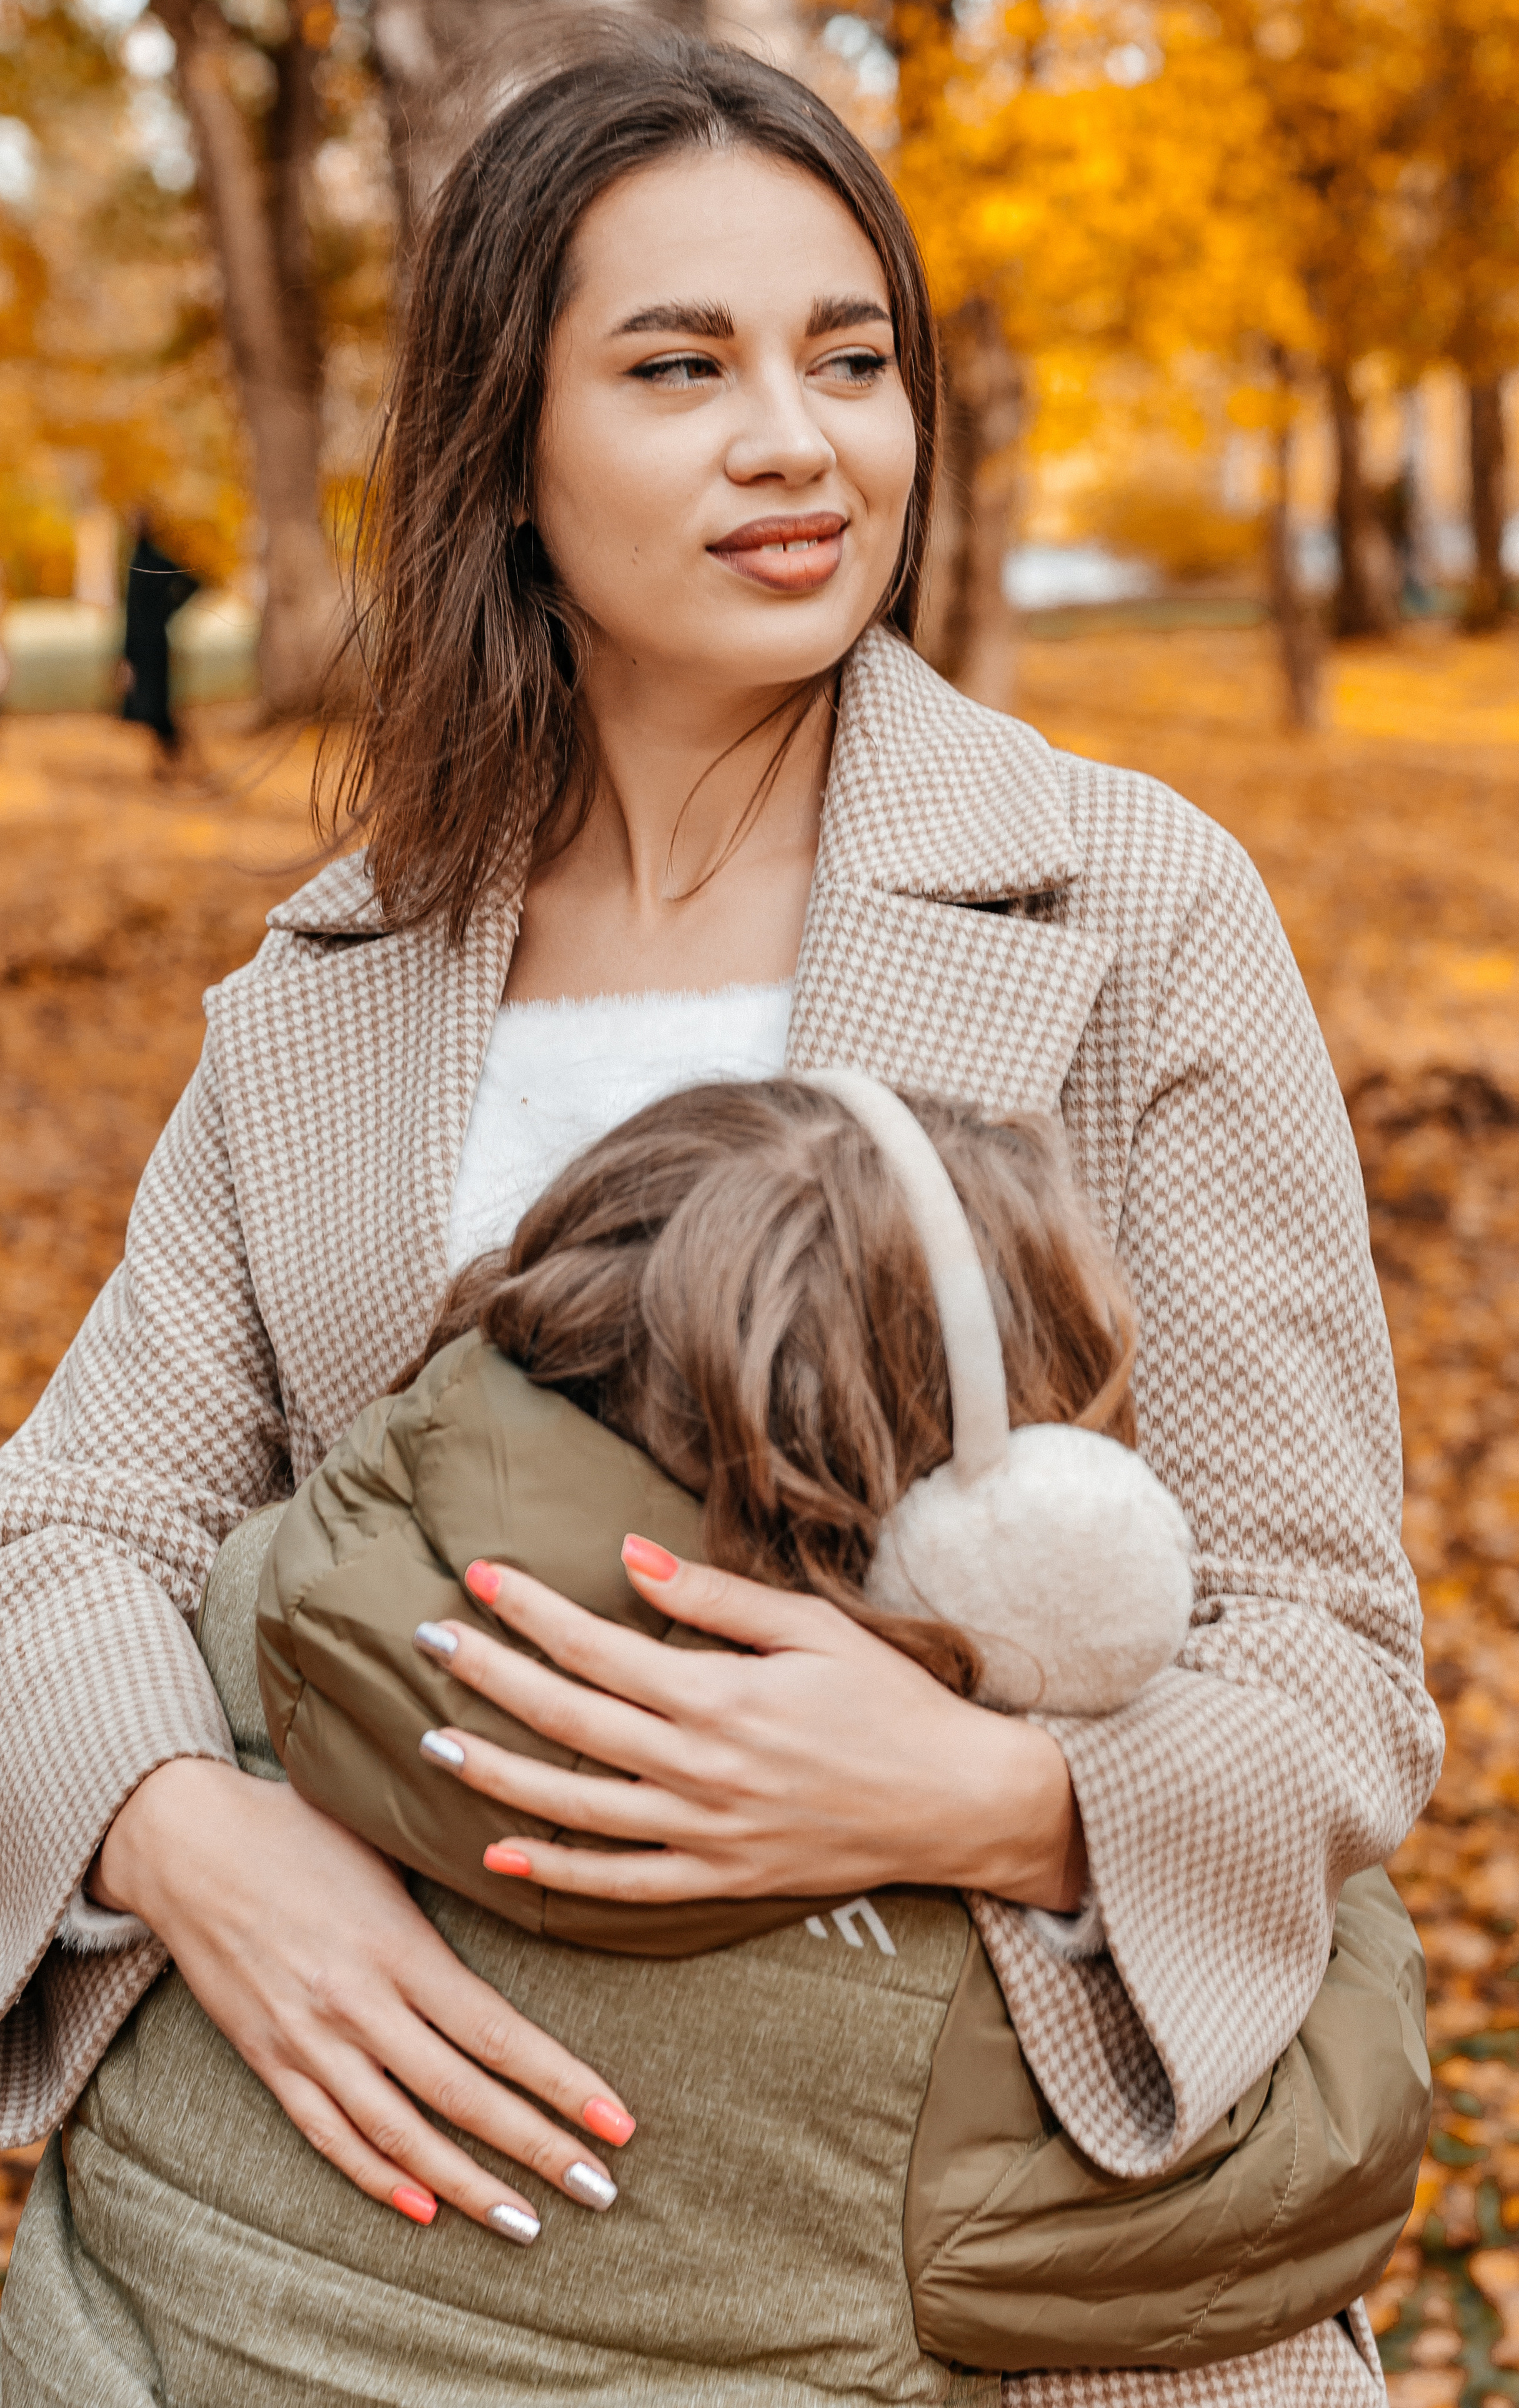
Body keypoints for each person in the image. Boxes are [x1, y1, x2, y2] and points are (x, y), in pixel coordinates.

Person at [0, 26, 1442, 2407]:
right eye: (680, 366)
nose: (798, 438)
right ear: (510, 444)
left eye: (847, 357)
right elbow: (79, 1522)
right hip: (401, 2303)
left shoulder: (1131, 908)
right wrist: (176, 1839)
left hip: (975, 2283)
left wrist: (989, 1796)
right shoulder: (335, 981)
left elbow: (1321, 1652)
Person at [119, 514, 198, 770]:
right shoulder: (138, 559)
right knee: (148, 705)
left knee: (155, 705)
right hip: (142, 644)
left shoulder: (151, 560)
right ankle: (170, 759)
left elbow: (191, 581)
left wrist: (167, 610)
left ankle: (176, 758)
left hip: (152, 645)